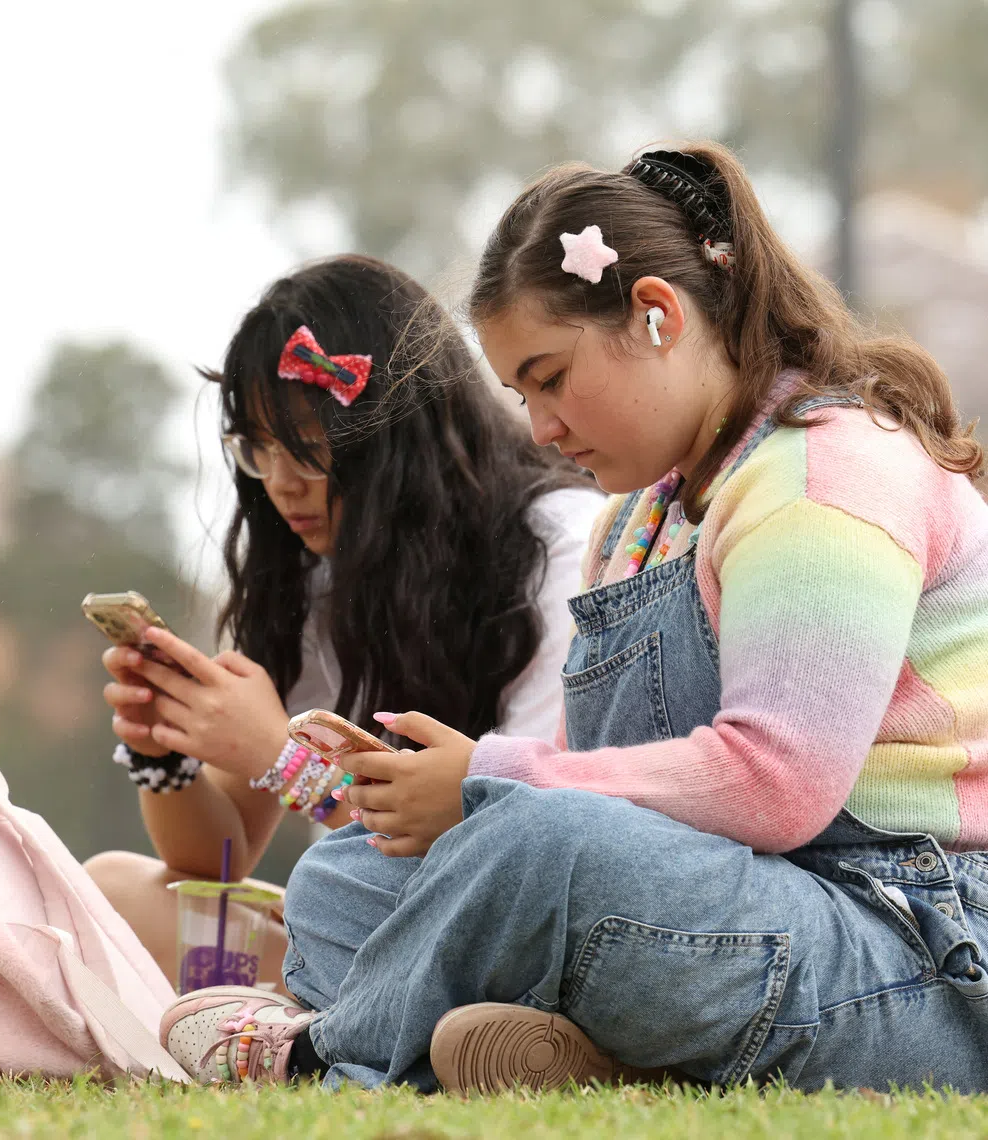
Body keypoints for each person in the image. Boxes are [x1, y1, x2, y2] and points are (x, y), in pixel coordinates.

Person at [159, 143, 988, 1094]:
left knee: (535, 845)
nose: (540, 427)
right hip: (734, 908)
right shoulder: (638, 520)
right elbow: (588, 772)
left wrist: (486, 778)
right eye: (520, 393)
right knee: (349, 872)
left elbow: (777, 785)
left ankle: (321, 1052)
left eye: (550, 377)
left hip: (916, 943)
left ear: (657, 315)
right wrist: (434, 797)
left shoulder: (827, 479)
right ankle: (599, 1056)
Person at [85, 255, 605, 985]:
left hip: (525, 930)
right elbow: (216, 861)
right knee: (114, 891)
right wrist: (163, 750)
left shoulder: (560, 548)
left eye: (307, 442)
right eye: (257, 448)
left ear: (399, 433)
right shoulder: (317, 577)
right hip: (381, 934)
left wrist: (283, 758)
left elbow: (517, 844)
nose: (281, 481)